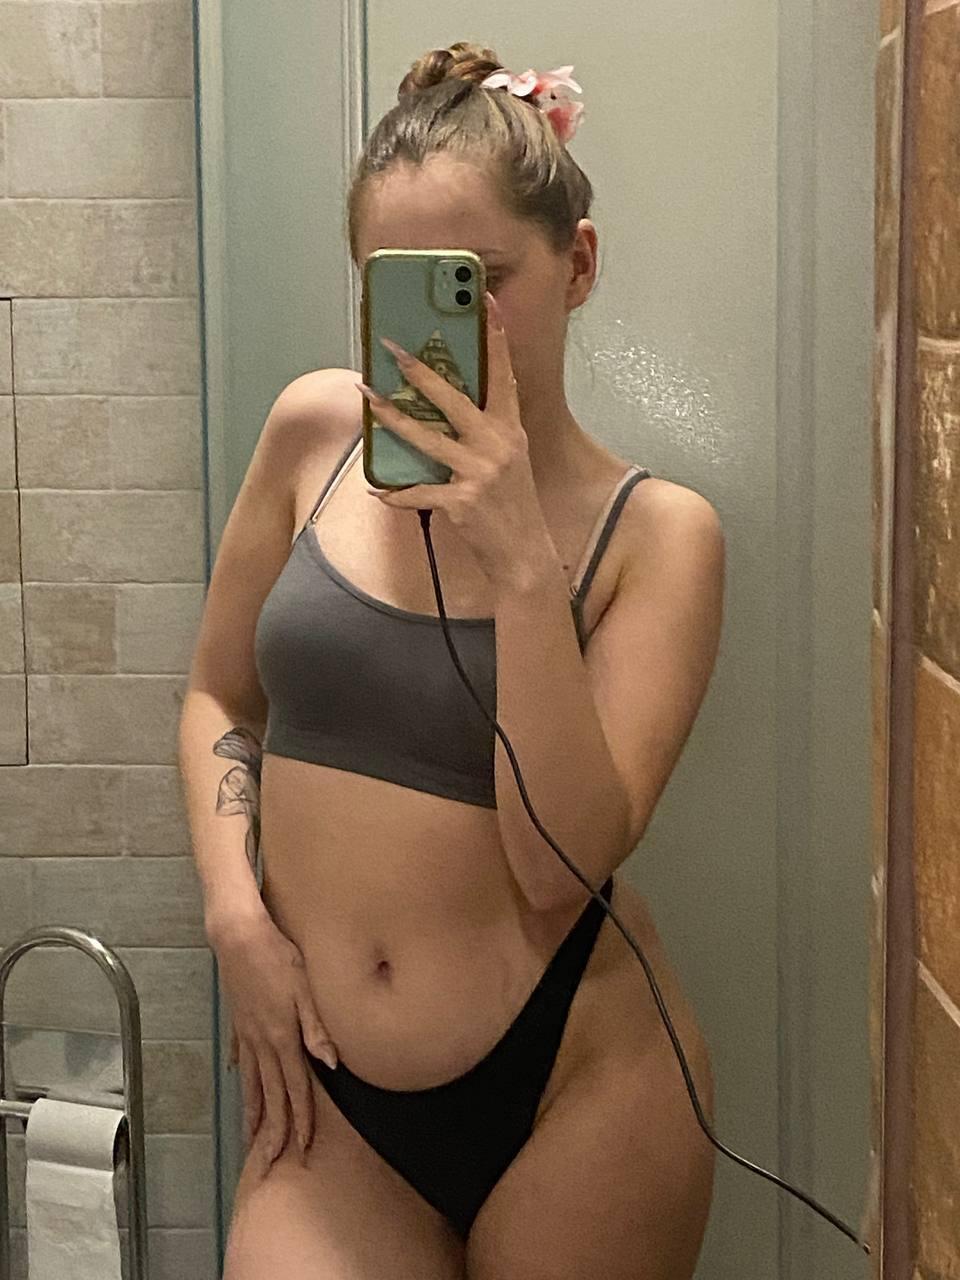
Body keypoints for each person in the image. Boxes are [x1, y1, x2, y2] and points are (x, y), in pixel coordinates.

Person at [179, 40, 724, 1280]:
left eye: (483, 281)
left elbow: (558, 867)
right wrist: (235, 918)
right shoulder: (311, 432)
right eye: (406, 287)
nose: (443, 334)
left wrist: (520, 555)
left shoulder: (661, 537)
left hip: (579, 1086)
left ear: (578, 265)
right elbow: (217, 691)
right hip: (331, 1097)